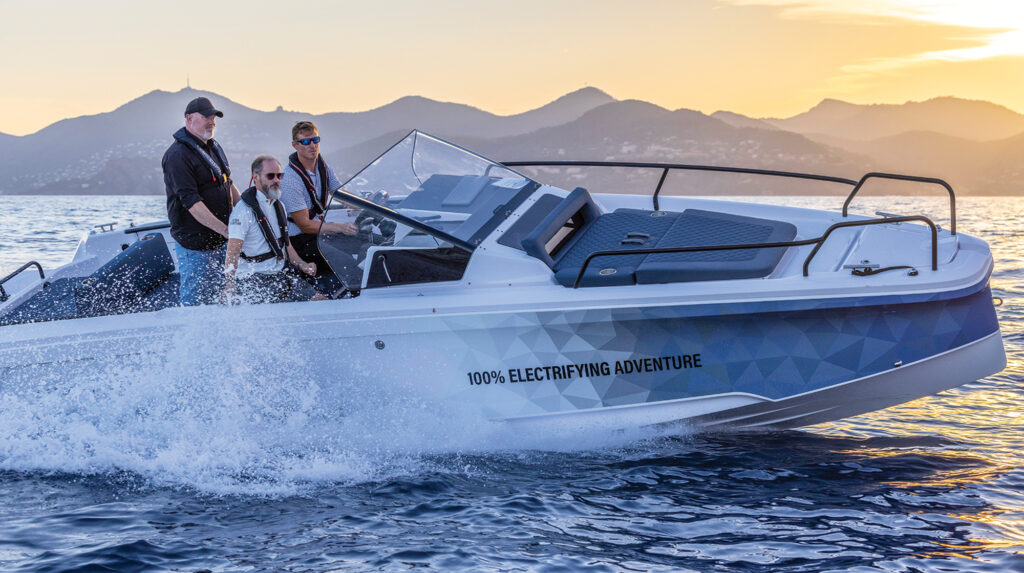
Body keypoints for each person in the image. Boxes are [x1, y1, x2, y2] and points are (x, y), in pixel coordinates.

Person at [162, 96, 241, 306]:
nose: (212, 121)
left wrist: (248, 211)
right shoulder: (177, 155)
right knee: (195, 304)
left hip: (222, 243)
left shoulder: (213, 147)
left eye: (214, 117)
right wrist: (226, 231)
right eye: (206, 117)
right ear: (189, 118)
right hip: (196, 247)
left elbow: (228, 183)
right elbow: (191, 203)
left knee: (224, 300)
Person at [223, 155, 322, 304]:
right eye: (270, 176)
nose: (276, 180)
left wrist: (302, 264)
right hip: (254, 278)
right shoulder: (243, 211)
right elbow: (233, 250)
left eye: (279, 176)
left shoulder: (279, 206)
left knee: (320, 300)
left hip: (280, 273)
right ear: (255, 177)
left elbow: (285, 244)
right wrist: (230, 283)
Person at [280, 121, 358, 292]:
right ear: (295, 145)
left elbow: (340, 194)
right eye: (305, 141)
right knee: (347, 263)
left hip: (318, 234)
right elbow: (305, 225)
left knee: (365, 243)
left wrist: (365, 203)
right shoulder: (290, 179)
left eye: (315, 140)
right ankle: (351, 297)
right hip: (300, 240)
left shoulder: (323, 167)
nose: (312, 145)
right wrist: (340, 228)